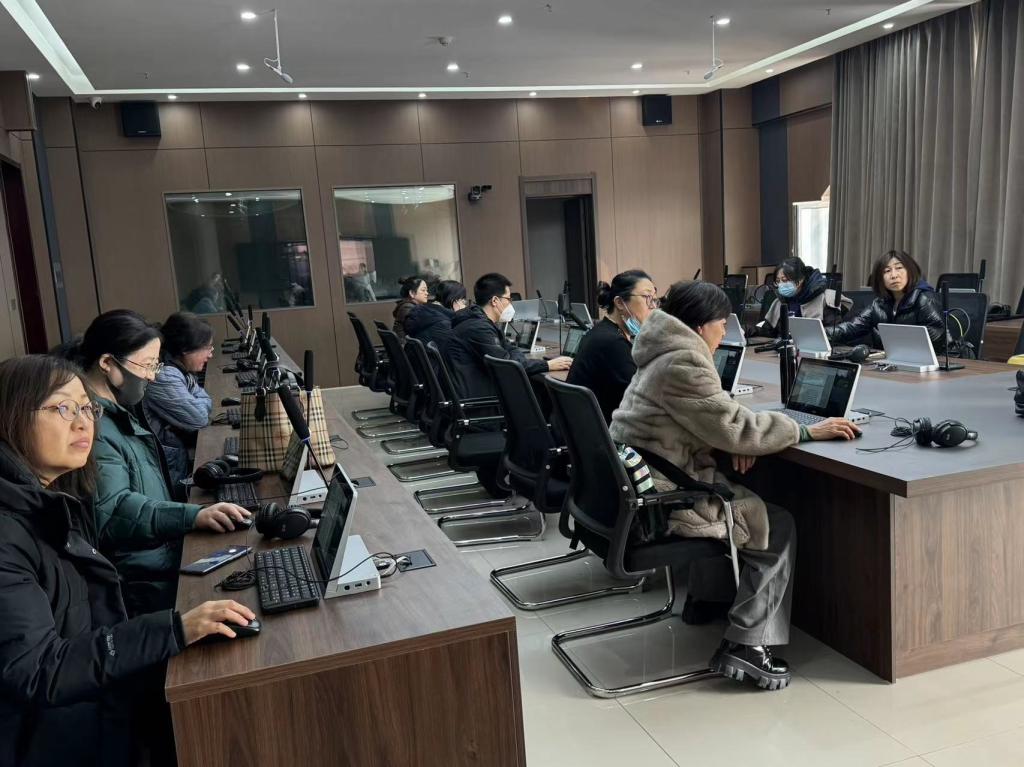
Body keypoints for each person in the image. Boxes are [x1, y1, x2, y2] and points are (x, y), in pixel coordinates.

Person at [0, 354, 257, 767]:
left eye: (86, 408)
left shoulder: (54, 498)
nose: (83, 423)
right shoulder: (8, 532)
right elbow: (37, 669)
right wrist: (173, 629)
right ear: (9, 416)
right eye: (62, 408)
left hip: (95, 713)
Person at [609, 280, 860, 690]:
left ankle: (705, 600)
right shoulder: (684, 363)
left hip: (647, 483)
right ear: (699, 326)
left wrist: (734, 438)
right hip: (665, 499)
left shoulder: (661, 350)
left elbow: (719, 418)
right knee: (774, 525)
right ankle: (747, 644)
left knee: (730, 492)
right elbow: (737, 427)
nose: (725, 331)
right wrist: (804, 430)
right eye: (722, 323)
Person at [60, 310, 250, 615]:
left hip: (158, 554)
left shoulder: (116, 411)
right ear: (107, 363)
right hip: (143, 580)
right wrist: (192, 516)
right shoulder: (93, 427)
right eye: (147, 365)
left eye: (156, 365)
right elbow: (115, 510)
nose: (151, 376)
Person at [447, 273, 572, 399]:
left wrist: (514, 355)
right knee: (543, 393)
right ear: (495, 301)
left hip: (480, 389)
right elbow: (508, 366)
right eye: (508, 299)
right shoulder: (478, 328)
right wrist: (548, 365)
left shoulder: (479, 321)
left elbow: (510, 349)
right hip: (482, 400)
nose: (511, 304)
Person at [567, 270, 657, 424]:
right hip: (604, 431)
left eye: (654, 300)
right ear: (620, 303)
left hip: (584, 428)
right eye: (647, 298)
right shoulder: (611, 343)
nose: (653, 307)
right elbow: (643, 398)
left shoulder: (602, 331)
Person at [143, 312, 214, 496]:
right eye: (207, 347)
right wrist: (199, 400)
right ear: (185, 349)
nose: (210, 354)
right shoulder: (165, 376)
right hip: (167, 471)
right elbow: (199, 417)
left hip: (174, 459)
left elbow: (204, 400)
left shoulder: (180, 370)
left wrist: (198, 400)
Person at [826, 250, 945, 350]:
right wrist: (824, 333)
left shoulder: (925, 298)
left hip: (928, 364)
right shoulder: (879, 304)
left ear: (910, 271)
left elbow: (937, 334)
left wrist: (894, 337)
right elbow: (853, 327)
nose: (894, 275)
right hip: (890, 362)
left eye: (899, 268)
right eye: (887, 271)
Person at [759, 256, 848, 336]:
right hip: (783, 348)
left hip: (816, 347)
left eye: (784, 280)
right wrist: (751, 330)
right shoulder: (780, 301)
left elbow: (834, 333)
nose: (781, 285)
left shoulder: (825, 299)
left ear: (800, 280)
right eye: (778, 281)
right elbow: (767, 330)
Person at [403, 279, 468, 350]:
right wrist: (461, 315)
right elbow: (456, 350)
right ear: (455, 300)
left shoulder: (426, 313)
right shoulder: (443, 323)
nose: (464, 304)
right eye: (462, 299)